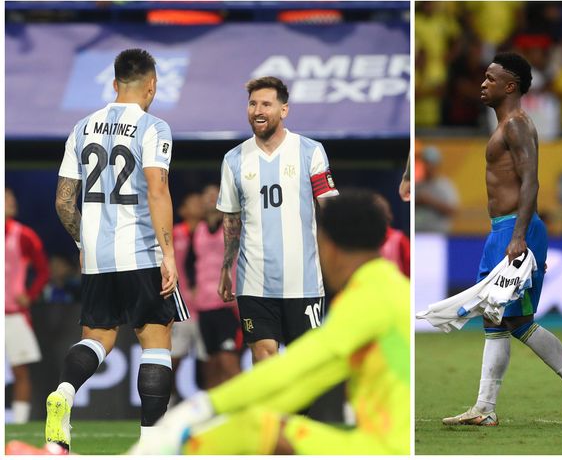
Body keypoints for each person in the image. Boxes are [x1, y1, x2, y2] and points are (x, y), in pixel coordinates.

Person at [127, 189, 410, 455]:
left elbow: (296, 368)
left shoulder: (369, 298)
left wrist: (203, 407)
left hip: (387, 449)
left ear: (330, 245)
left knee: (251, 428)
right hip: (385, 444)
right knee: (256, 424)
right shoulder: (386, 286)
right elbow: (306, 382)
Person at [443, 52, 562, 429]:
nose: (482, 84)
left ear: (510, 86)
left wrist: (519, 236)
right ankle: (484, 407)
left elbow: (531, 181)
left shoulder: (516, 125)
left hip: (517, 229)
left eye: (490, 78)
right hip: (503, 228)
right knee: (495, 318)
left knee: (518, 320)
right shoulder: (506, 125)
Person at [48, 48, 188, 451]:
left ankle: (65, 392)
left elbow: (62, 202)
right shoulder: (153, 126)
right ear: (152, 86)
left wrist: (82, 239)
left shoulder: (82, 127)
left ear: (114, 84)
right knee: (155, 340)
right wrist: (169, 255)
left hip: (95, 257)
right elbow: (158, 190)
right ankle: (150, 442)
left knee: (98, 337)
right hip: (141, 250)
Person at [216, 76, 338, 365]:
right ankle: (273, 413)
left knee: (305, 364)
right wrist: (225, 267)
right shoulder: (234, 159)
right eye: (253, 104)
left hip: (304, 281)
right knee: (264, 355)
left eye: (266, 104)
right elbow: (232, 219)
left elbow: (330, 210)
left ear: (284, 110)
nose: (258, 110)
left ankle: (300, 412)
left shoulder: (310, 151)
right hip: (254, 281)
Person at [5, 188, 50, 424]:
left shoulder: (24, 235)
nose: (11, 202)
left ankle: (19, 424)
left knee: (20, 371)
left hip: (13, 315)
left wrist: (30, 294)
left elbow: (43, 270)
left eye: (12, 198)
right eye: (6, 199)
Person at [191, 184, 242, 388]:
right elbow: (191, 262)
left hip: (228, 306)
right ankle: (214, 416)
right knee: (210, 366)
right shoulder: (198, 230)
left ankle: (248, 409)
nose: (211, 198)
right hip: (204, 307)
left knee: (229, 362)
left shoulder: (232, 225)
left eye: (215, 194)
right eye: (207, 195)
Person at [170, 192, 207, 404]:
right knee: (171, 363)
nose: (199, 203)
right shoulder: (175, 235)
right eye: (193, 201)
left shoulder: (212, 234)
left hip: (207, 308)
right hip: (180, 309)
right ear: (182, 210)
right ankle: (169, 404)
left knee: (209, 366)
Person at [414, 146, 459, 233]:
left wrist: (429, 201)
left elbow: (453, 210)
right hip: (418, 233)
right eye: (425, 163)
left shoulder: (445, 185)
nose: (427, 167)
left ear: (436, 165)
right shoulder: (416, 184)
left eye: (430, 163)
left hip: (438, 234)